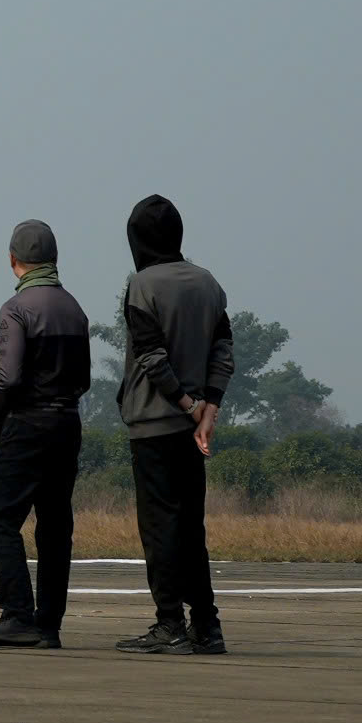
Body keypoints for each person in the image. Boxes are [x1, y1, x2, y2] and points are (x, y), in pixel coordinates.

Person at [115, 193, 234, 654]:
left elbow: (150, 356)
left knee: (160, 528)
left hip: (154, 425)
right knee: (190, 527)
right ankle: (208, 626)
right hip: (193, 429)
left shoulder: (142, 285)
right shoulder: (209, 284)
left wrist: (188, 406)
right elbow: (223, 351)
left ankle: (170, 624)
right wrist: (209, 409)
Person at [0, 219, 90, 650]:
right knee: (55, 526)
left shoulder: (15, 309)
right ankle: (48, 624)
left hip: (27, 425)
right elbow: (85, 378)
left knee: (3, 518)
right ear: (54, 260)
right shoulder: (75, 308)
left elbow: (9, 374)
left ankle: (16, 614)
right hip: (67, 423)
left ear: (13, 261)